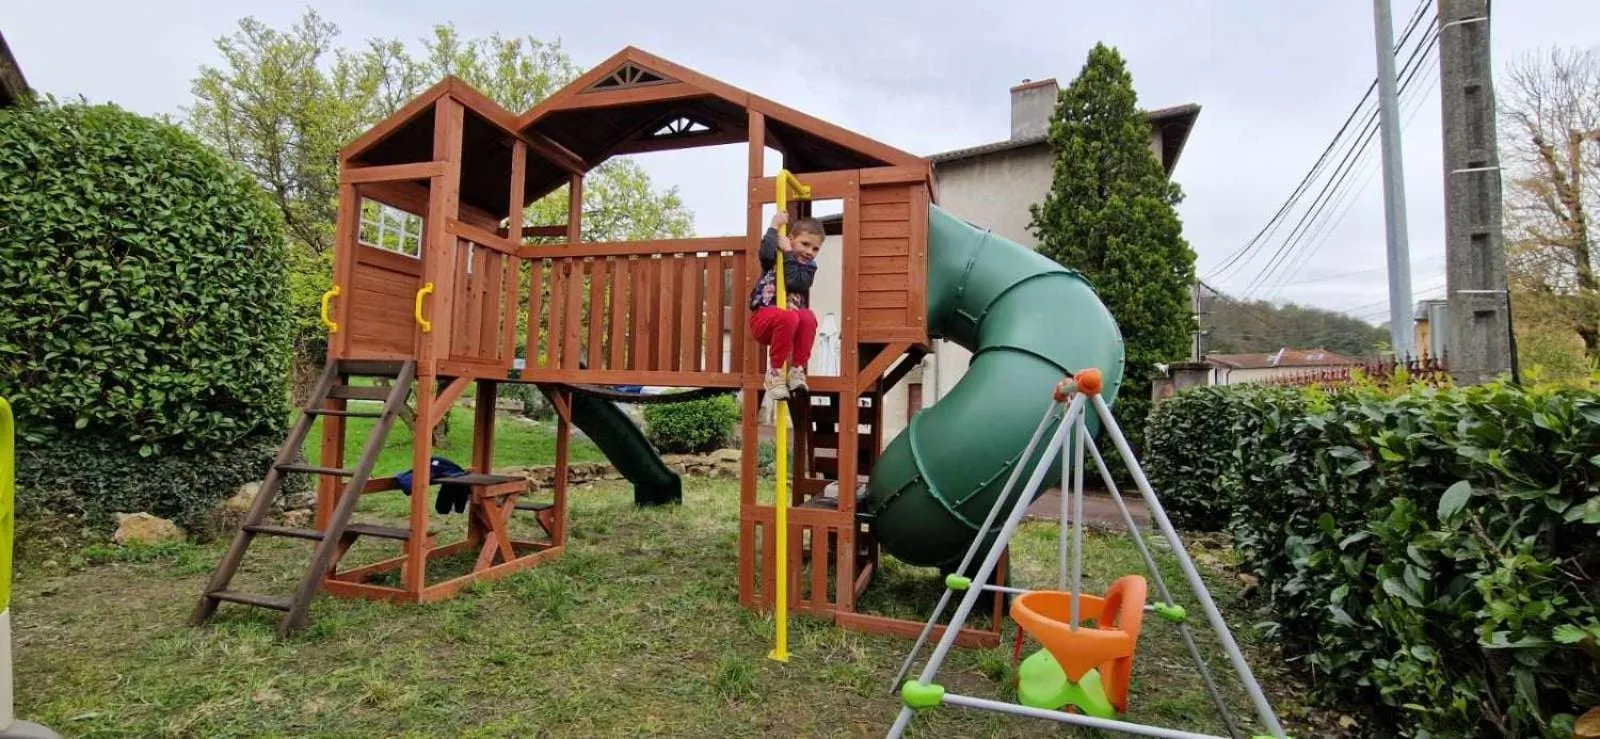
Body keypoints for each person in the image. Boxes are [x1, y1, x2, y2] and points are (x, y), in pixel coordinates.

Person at [748, 211, 822, 400]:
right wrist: (774, 226)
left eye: (815, 249)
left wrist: (789, 252)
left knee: (808, 317)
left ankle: (797, 370)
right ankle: (774, 374)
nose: (809, 252)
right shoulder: (775, 257)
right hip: (764, 320)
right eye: (805, 244)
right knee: (789, 316)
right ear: (790, 239)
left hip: (790, 325)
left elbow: (794, 283)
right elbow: (764, 252)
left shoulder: (808, 268)